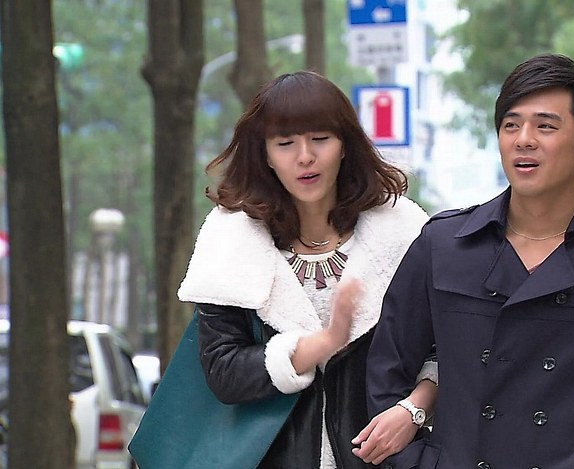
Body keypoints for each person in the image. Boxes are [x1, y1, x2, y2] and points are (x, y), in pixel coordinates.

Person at [361, 53, 574, 468]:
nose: (523, 139)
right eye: (511, 125)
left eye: (545, 126)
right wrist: (418, 462)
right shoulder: (444, 243)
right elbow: (387, 366)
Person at [177, 70, 437, 469]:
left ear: (345, 145)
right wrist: (323, 343)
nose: (305, 157)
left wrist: (413, 411)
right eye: (285, 143)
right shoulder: (231, 240)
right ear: (265, 154)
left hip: (384, 459)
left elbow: (446, 347)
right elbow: (223, 372)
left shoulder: (404, 232)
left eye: (320, 139)